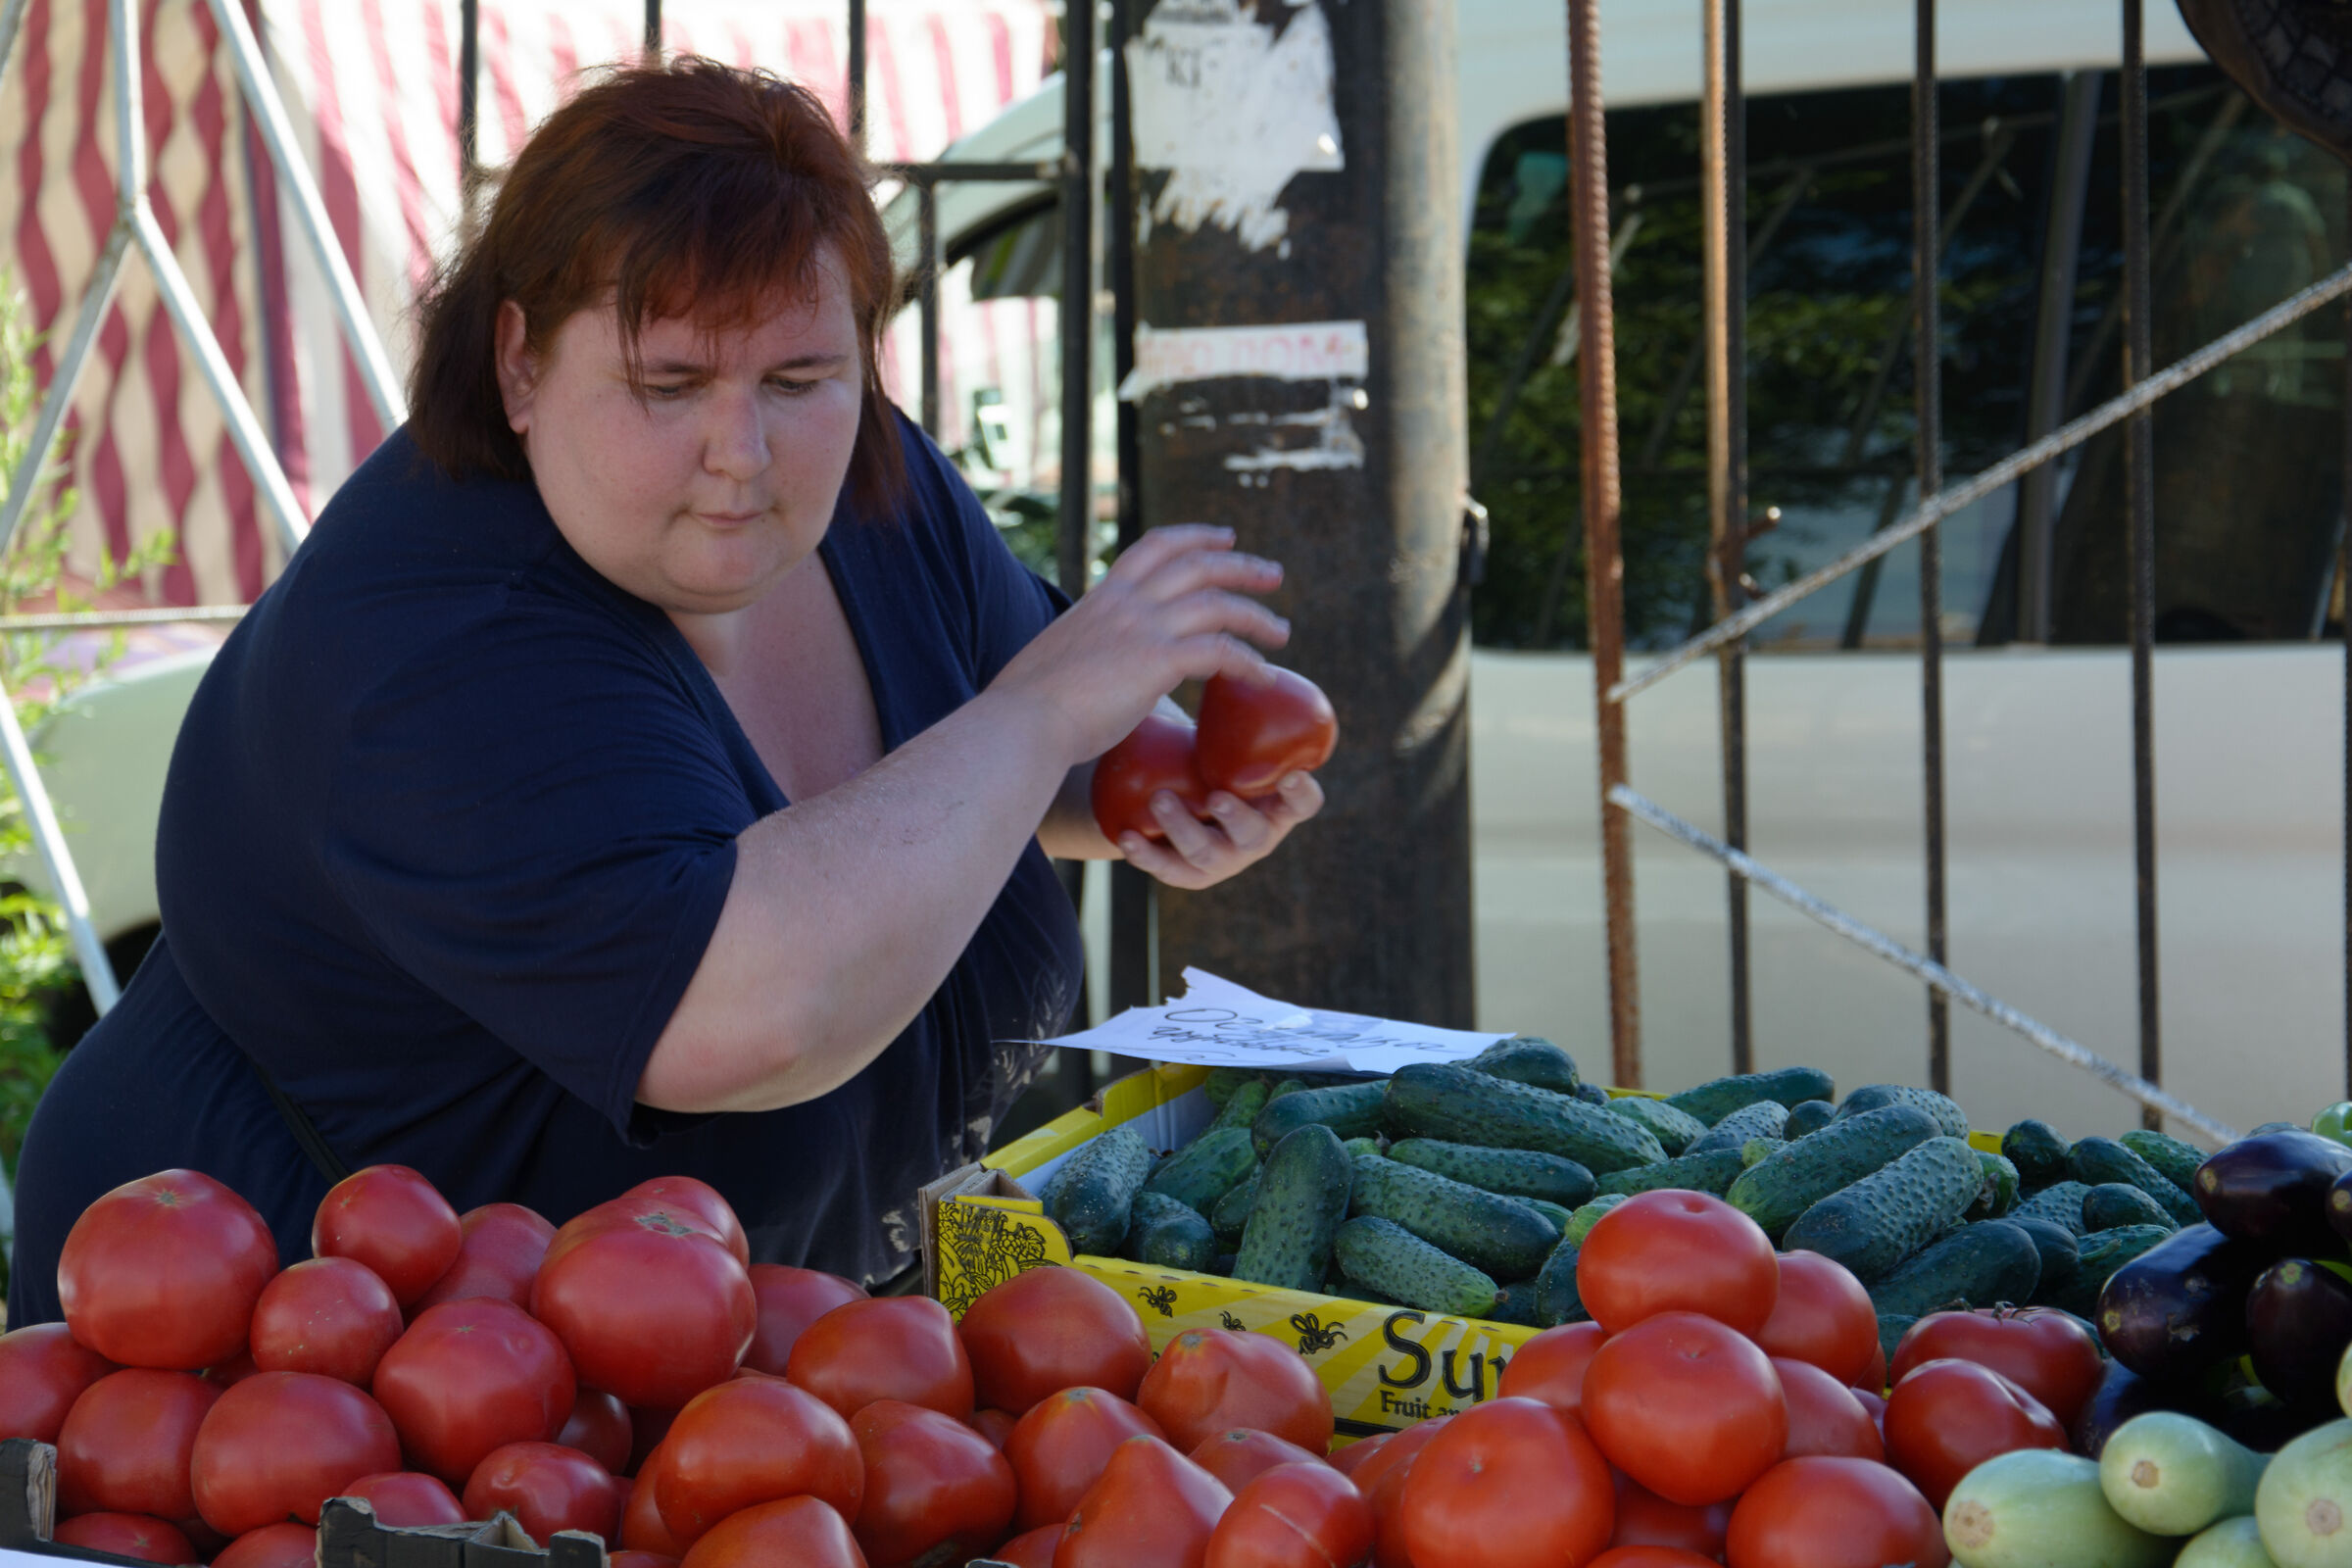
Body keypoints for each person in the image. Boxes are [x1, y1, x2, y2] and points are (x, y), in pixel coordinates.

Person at [6, 57, 1319, 1322]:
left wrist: (1147, 786)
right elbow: (748, 1018)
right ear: (520, 363)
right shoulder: (429, 641)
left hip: (714, 1375)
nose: (742, 454)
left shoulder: (873, 487)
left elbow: (1004, 768)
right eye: (669, 382)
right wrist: (1042, 715)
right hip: (286, 1364)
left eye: (801, 379)